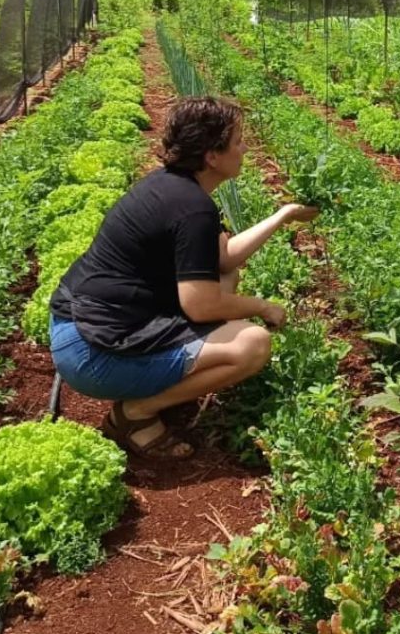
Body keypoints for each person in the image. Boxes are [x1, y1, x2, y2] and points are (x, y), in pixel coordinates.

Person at [49, 96, 319, 459]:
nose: (245, 149)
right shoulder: (193, 209)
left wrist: (284, 215)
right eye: (238, 141)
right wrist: (262, 307)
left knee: (226, 278)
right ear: (212, 156)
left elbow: (224, 259)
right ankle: (135, 413)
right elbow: (200, 306)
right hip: (91, 353)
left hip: (85, 326)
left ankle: (161, 383)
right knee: (253, 344)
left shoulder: (173, 185)